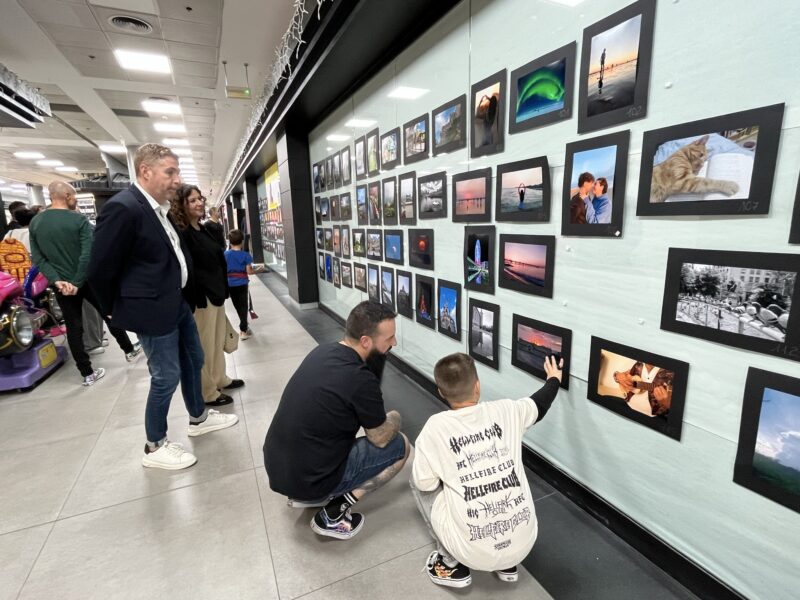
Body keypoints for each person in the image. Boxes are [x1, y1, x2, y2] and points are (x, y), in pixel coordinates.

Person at [88, 143, 238, 470]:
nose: (176, 179)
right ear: (145, 171)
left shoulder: (158, 209)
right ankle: (155, 445)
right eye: (170, 171)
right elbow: (100, 267)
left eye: (176, 171)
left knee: (193, 359)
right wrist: (109, 309)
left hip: (176, 302)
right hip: (151, 310)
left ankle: (198, 417)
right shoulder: (124, 208)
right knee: (165, 375)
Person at [411, 353, 563, 589]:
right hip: (524, 545)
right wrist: (554, 379)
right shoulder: (507, 411)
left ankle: (450, 563)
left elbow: (425, 485)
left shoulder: (435, 428)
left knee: (420, 479)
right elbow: (540, 404)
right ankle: (507, 564)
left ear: (441, 392)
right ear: (478, 386)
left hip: (472, 553)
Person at [264, 301, 410, 540]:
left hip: (279, 468)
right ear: (366, 341)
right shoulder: (360, 379)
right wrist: (395, 417)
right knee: (400, 446)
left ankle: (316, 491)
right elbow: (380, 438)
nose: (394, 343)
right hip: (308, 479)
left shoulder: (322, 351)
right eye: (389, 339)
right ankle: (334, 512)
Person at [29, 182, 141, 386]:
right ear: (65, 195)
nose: (75, 200)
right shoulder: (78, 220)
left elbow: (39, 258)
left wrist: (58, 281)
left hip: (61, 286)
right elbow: (88, 254)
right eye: (73, 196)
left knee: (73, 326)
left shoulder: (36, 223)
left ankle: (86, 372)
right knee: (108, 313)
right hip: (86, 280)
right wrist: (78, 281)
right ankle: (129, 350)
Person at [170, 184, 242, 407]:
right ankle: (208, 392)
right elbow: (186, 270)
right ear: (182, 204)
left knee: (217, 340)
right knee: (205, 345)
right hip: (202, 299)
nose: (199, 203)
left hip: (216, 294)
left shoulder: (204, 229)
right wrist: (197, 295)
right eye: (192, 200)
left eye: (199, 198)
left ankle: (220, 378)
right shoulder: (182, 234)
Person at [225, 228, 256, 340]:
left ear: (230, 241)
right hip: (242, 283)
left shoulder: (225, 254)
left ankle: (244, 326)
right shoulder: (246, 255)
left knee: (238, 306)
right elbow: (249, 271)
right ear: (242, 241)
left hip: (230, 284)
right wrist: (259, 270)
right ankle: (243, 330)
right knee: (243, 306)